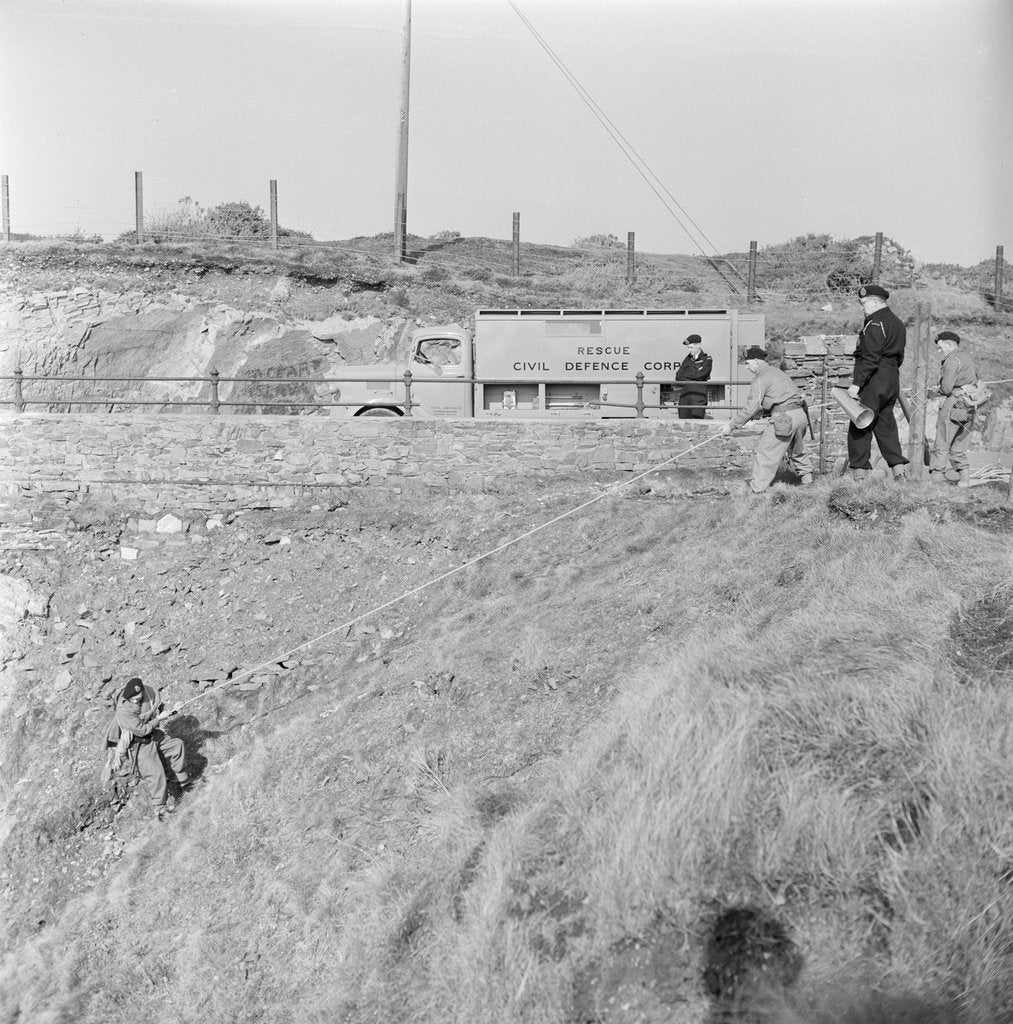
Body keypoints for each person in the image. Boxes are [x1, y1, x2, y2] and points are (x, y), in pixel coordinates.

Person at [720, 345, 813, 492]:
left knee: (766, 453)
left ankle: (756, 491)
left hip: (784, 418)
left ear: (757, 361)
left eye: (748, 363)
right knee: (797, 450)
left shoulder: (760, 378)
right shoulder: (779, 373)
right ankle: (808, 483)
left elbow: (751, 407)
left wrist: (732, 425)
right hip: (800, 415)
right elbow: (780, 397)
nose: (746, 367)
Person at [847, 284, 909, 482]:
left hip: (874, 377)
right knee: (886, 424)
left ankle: (859, 475)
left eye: (864, 303)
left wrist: (857, 383)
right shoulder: (898, 323)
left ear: (874, 302)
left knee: (860, 422)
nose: (862, 308)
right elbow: (900, 355)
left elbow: (871, 357)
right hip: (891, 377)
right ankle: (899, 472)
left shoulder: (874, 323)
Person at [108, 677, 189, 820]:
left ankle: (184, 782)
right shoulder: (123, 712)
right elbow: (142, 729)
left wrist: (174, 710)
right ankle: (160, 809)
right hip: (139, 745)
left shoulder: (147, 696)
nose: (136, 701)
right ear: (128, 697)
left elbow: (155, 711)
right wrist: (160, 719)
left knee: (176, 746)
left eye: (139, 698)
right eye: (133, 699)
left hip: (153, 735)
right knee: (155, 774)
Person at [929, 330, 978, 488]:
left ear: (950, 345)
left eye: (940, 347)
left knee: (942, 441)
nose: (939, 350)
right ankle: (964, 479)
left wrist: (935, 390)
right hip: (970, 404)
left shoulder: (952, 360)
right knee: (959, 444)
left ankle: (937, 478)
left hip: (954, 403)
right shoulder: (967, 358)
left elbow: (946, 388)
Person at [675, 333, 713, 419]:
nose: (689, 350)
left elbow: (701, 375)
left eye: (691, 347)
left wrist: (687, 375)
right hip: (685, 397)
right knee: (682, 424)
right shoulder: (688, 359)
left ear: (698, 345)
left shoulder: (706, 359)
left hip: (697, 397)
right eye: (688, 348)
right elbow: (678, 376)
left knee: (697, 424)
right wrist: (694, 375)